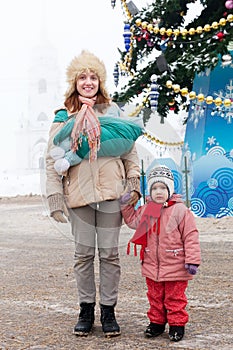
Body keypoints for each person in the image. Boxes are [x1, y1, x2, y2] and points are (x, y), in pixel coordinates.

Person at [45, 50, 141, 337]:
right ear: (74, 82)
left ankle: (108, 311)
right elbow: (52, 161)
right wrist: (55, 197)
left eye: (93, 77)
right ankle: (86, 310)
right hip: (79, 197)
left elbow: (130, 150)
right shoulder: (63, 118)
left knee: (110, 255)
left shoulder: (112, 113)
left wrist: (133, 182)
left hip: (112, 193)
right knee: (84, 255)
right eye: (82, 77)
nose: (88, 82)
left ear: (101, 81)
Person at [120, 165, 201, 342]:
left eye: (163, 187)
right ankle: (156, 323)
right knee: (155, 297)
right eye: (154, 188)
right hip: (152, 266)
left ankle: (177, 325)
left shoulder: (180, 211)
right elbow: (131, 220)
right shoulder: (147, 211)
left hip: (176, 266)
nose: (158, 191)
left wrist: (192, 260)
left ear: (170, 189)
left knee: (175, 298)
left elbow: (190, 236)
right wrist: (126, 203)